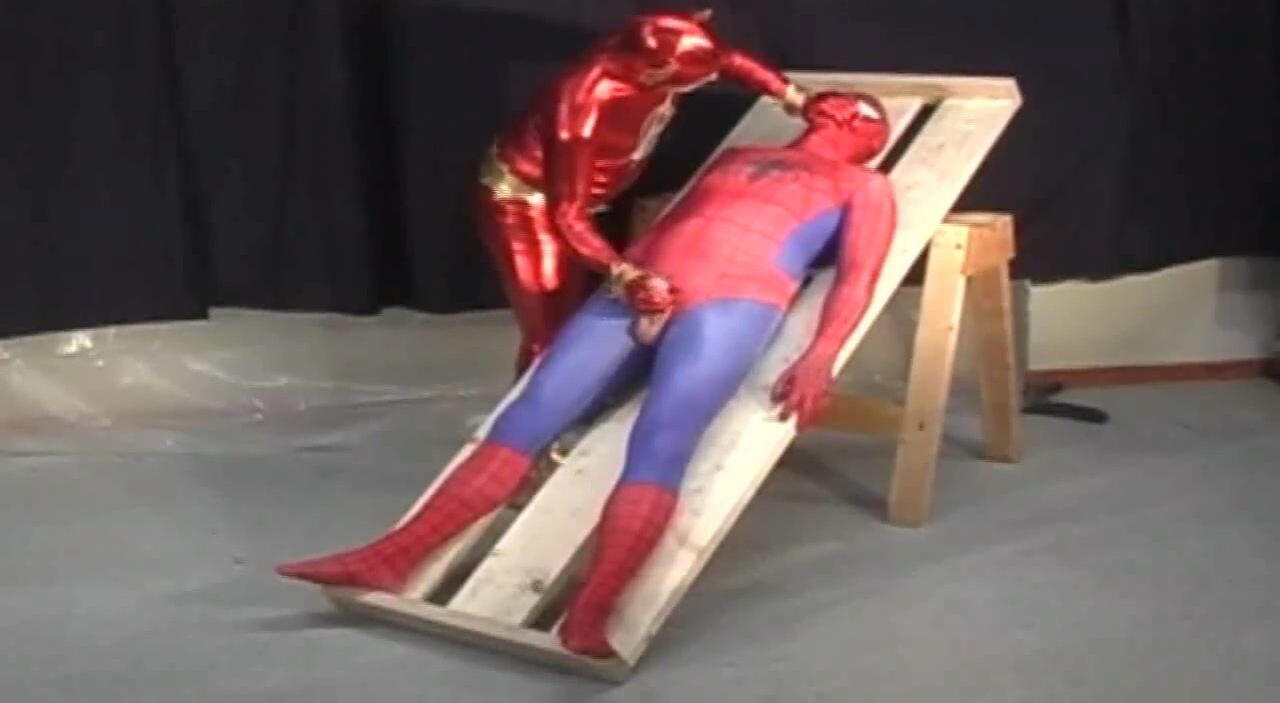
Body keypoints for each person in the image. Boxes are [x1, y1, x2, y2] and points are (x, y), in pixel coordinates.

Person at [277, 91, 897, 659]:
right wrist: (631, 276)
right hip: (637, 288)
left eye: (859, 113)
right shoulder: (739, 155)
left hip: (732, 303)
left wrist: (820, 357)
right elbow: (674, 223)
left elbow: (857, 278)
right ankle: (389, 558)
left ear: (866, 135)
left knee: (662, 442)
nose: (841, 108)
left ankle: (592, 611)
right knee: (526, 416)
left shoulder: (863, 186)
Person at [477, 9, 817, 376]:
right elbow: (568, 215)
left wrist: (796, 98)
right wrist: (625, 275)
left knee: (579, 323)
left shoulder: (654, 46)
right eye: (685, 85)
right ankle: (530, 411)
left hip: (585, 198)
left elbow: (729, 61)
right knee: (551, 333)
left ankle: (571, 398)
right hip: (526, 201)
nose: (701, 85)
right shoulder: (582, 104)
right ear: (653, 74)